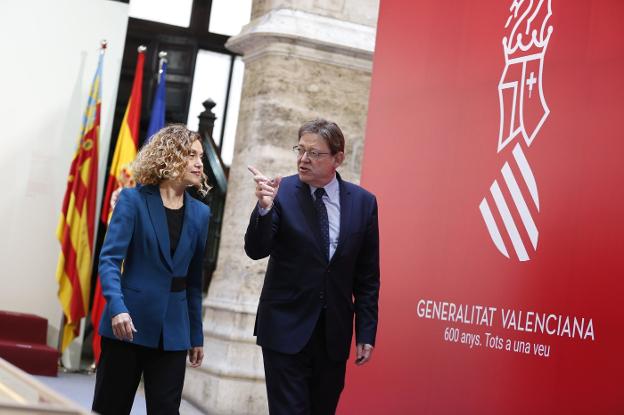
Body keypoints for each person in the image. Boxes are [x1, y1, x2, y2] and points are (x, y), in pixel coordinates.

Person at [245, 119, 380, 415]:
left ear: (338, 158)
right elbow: (256, 250)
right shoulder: (280, 192)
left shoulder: (364, 203)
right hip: (284, 328)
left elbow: (368, 277)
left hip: (333, 335)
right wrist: (264, 208)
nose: (303, 159)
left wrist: (366, 332)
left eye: (315, 153)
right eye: (301, 150)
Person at [92, 124, 211, 415]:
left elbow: (194, 281)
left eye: (201, 157)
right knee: (110, 408)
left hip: (173, 332)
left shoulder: (201, 214)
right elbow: (109, 260)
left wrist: (196, 335)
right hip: (127, 325)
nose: (199, 163)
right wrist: (117, 307)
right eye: (191, 155)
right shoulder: (132, 200)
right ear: (169, 157)